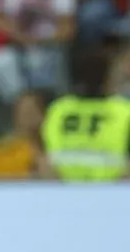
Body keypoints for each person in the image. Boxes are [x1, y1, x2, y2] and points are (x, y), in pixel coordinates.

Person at [40, 50, 130, 181]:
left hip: (61, 188)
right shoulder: (123, 110)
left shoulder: (59, 108)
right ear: (107, 79)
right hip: (111, 190)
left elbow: (45, 157)